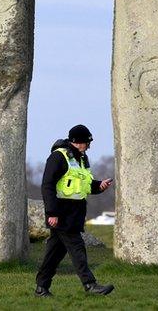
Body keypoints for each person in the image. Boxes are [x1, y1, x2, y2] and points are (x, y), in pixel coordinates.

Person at [34, 124, 115, 297]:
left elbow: (84, 185)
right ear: (77, 142)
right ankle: (90, 284)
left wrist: (99, 185)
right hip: (62, 214)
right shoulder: (58, 157)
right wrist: (52, 213)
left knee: (54, 255)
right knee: (78, 248)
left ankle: (41, 288)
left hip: (76, 214)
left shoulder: (82, 159)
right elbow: (47, 186)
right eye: (87, 142)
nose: (89, 146)